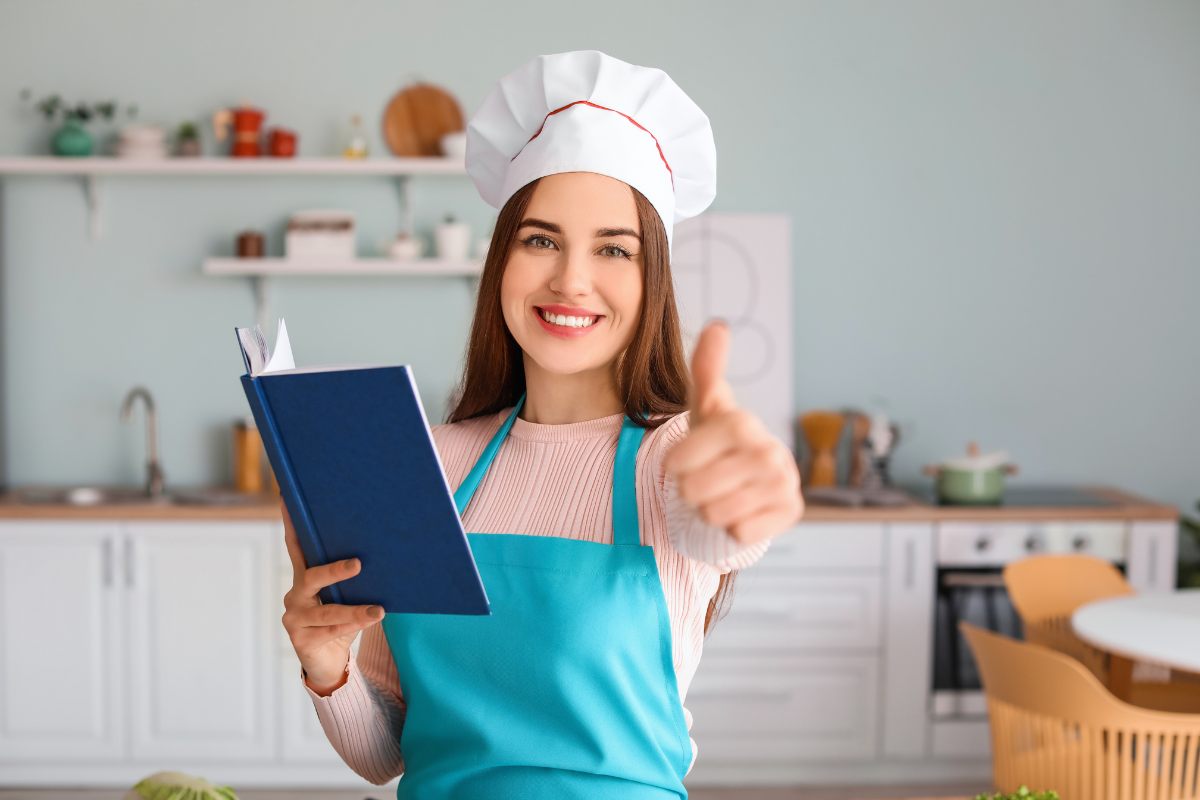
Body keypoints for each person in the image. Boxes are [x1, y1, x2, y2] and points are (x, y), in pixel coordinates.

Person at [280, 49, 804, 799]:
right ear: (502, 260)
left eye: (613, 250)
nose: (571, 279)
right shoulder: (433, 462)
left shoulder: (671, 458)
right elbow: (388, 754)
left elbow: (726, 524)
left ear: (651, 277)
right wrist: (326, 668)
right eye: (541, 239)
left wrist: (757, 485)